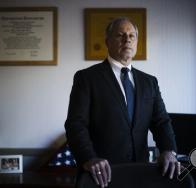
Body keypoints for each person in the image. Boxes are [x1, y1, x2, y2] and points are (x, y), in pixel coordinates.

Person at [64, 17, 180, 188]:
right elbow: (75, 124)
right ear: (107, 41)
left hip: (140, 173)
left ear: (136, 42)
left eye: (132, 36)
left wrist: (169, 150)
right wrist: (89, 158)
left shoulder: (150, 82)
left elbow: (161, 121)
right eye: (120, 35)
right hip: (101, 175)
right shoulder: (87, 78)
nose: (127, 40)